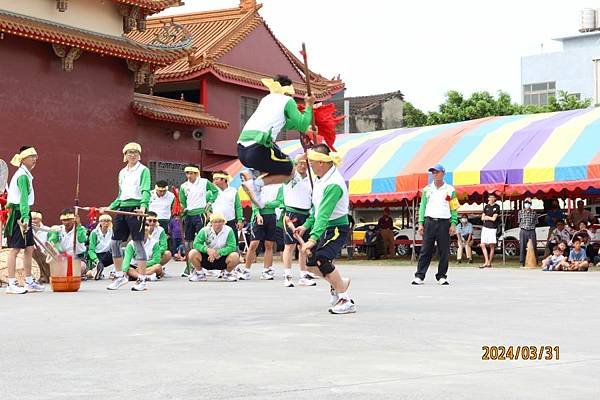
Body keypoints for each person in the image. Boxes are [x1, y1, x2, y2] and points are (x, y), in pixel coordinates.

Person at [295, 144, 356, 314]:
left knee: (322, 259)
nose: (310, 165)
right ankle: (339, 282)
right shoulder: (321, 180)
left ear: (321, 162)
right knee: (311, 266)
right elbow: (316, 210)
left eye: (312, 162)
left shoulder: (334, 184)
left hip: (337, 228)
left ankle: (345, 299)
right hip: (325, 227)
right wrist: (305, 225)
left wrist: (312, 239)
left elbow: (324, 214)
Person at [237, 75, 315, 208]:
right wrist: (309, 106)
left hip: (241, 150)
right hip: (258, 149)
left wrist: (307, 129)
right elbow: (301, 124)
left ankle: (252, 173)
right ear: (288, 92)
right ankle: (256, 185)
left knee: (278, 160)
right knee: (290, 171)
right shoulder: (286, 100)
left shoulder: (266, 100)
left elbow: (285, 124)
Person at [100, 142, 151, 291]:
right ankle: (119, 276)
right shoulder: (122, 172)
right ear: (125, 155)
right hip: (123, 208)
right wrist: (110, 207)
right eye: (129, 152)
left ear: (139, 154)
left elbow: (146, 190)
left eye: (135, 152)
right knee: (115, 243)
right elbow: (120, 195)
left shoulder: (144, 170)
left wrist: (143, 206)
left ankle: (141, 279)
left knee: (137, 243)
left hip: (136, 209)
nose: (132, 155)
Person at [4, 146, 45, 294]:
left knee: (29, 248)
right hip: (18, 215)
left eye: (36, 156)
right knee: (15, 249)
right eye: (32, 156)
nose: (35, 159)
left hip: (23, 213)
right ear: (23, 158)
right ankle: (11, 283)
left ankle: (29, 282)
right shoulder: (22, 175)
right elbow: (23, 200)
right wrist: (26, 217)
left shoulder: (26, 174)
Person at [412, 164, 459, 285]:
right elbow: (422, 207)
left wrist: (453, 223)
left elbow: (454, 208)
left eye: (437, 172)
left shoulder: (450, 189)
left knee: (444, 250)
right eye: (433, 173)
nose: (434, 175)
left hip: (444, 222)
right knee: (425, 249)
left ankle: (441, 276)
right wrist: (420, 223)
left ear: (443, 173)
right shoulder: (427, 189)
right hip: (430, 222)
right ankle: (420, 276)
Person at [281, 156, 316, 287]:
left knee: (304, 246)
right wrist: (302, 156)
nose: (302, 166)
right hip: (291, 213)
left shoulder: (311, 179)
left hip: (306, 214)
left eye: (304, 163)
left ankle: (303, 275)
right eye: (300, 163)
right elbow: (288, 165)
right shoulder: (291, 177)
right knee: (290, 246)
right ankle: (288, 275)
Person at [236, 184, 282, 280]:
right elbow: (254, 201)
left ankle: (267, 270)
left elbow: (279, 202)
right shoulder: (257, 185)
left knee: (269, 244)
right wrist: (257, 214)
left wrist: (265, 204)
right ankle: (246, 270)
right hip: (258, 217)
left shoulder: (279, 186)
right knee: (253, 244)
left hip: (272, 216)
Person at [179, 164, 219, 256]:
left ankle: (203, 259)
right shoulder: (183, 186)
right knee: (188, 239)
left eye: (191, 173)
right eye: (187, 173)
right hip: (189, 214)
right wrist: (183, 209)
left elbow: (215, 191)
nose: (189, 176)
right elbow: (182, 201)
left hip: (200, 213)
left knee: (202, 237)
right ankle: (190, 261)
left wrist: (210, 202)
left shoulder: (204, 182)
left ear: (196, 173)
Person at [188, 213, 240, 282]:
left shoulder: (229, 230)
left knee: (235, 256)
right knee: (192, 253)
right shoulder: (204, 230)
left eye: (220, 222)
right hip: (207, 257)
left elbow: (232, 246)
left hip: (222, 257)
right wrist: (207, 250)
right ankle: (199, 274)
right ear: (211, 222)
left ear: (224, 222)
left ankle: (227, 273)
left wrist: (219, 252)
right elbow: (196, 244)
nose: (217, 224)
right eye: (215, 222)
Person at [47, 208, 88, 278]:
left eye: (69, 220)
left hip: (78, 258)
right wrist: (59, 249)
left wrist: (78, 225)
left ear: (73, 219)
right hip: (62, 258)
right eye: (64, 220)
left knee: (79, 268)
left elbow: (82, 239)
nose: (66, 222)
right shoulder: (58, 229)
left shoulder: (81, 228)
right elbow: (52, 243)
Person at [211, 171, 243, 235]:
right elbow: (205, 205)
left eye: (217, 179)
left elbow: (238, 206)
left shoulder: (233, 191)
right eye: (214, 179)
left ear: (224, 180)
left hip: (231, 221)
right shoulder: (211, 192)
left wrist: (239, 220)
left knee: (233, 243)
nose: (214, 181)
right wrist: (208, 214)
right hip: (216, 222)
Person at [87, 214, 113, 280]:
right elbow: (91, 250)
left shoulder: (112, 232)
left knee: (119, 252)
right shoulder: (95, 233)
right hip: (98, 256)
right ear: (100, 222)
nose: (106, 223)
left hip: (108, 255)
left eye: (108, 221)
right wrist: (96, 260)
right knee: (90, 274)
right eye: (104, 221)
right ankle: (96, 272)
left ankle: (114, 272)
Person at [480, 193, 500, 268]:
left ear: (495, 198)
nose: (491, 198)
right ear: (488, 198)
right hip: (485, 227)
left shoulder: (497, 207)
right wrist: (489, 217)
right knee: (482, 244)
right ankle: (486, 261)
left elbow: (494, 219)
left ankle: (489, 262)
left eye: (493, 197)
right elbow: (482, 218)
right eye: (490, 197)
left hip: (492, 228)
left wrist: (487, 217)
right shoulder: (486, 206)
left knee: (492, 245)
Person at [30, 211, 51, 283]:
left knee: (37, 252)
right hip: (31, 255)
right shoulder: (27, 231)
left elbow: (51, 245)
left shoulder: (47, 230)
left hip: (45, 255)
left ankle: (44, 275)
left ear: (40, 219)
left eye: (35, 219)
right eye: (31, 219)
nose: (33, 221)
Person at [518, 197, 537, 267]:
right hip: (523, 230)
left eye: (529, 202)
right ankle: (522, 261)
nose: (527, 204)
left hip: (532, 230)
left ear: (531, 204)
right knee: (522, 246)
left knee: (533, 245)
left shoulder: (534, 212)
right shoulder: (520, 212)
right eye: (526, 202)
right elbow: (519, 221)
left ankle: (535, 261)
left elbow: (536, 221)